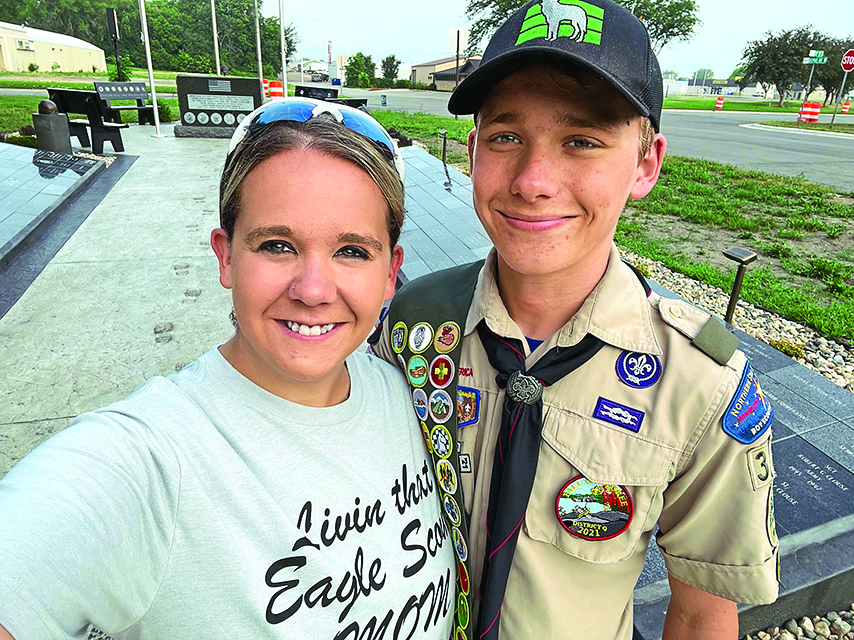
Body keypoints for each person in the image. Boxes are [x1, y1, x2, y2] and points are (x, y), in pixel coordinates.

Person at [372, 2, 779, 638]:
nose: (533, 181)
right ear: (473, 151)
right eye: (506, 137)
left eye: (582, 141)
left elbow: (702, 614)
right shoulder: (413, 322)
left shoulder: (701, 385)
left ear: (646, 164)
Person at [0, 98, 455, 639]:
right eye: (278, 246)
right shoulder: (149, 461)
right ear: (227, 256)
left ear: (390, 272)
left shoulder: (407, 395)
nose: (313, 290)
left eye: (352, 251)